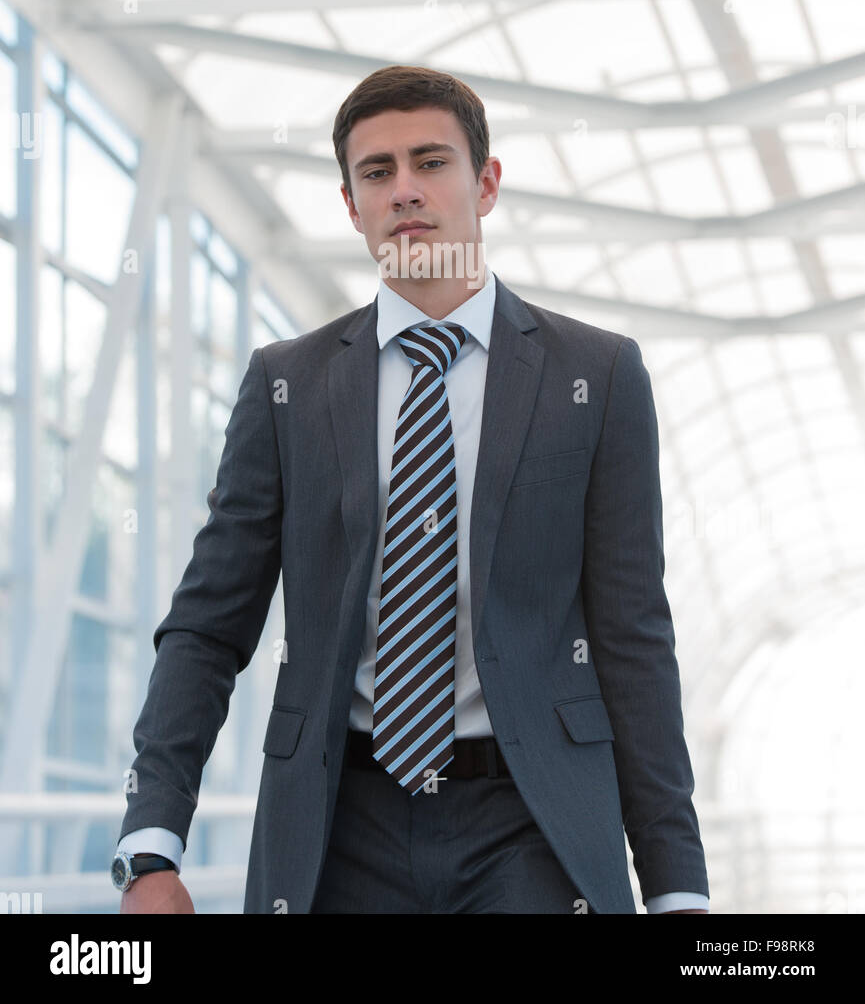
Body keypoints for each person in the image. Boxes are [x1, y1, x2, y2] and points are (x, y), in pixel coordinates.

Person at [114, 64, 709, 914]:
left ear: (486, 183)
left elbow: (632, 637)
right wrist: (151, 842)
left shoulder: (598, 375)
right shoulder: (288, 384)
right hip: (335, 824)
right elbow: (210, 623)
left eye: (431, 162)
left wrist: (676, 887)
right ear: (352, 208)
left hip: (530, 824)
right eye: (376, 173)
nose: (404, 192)